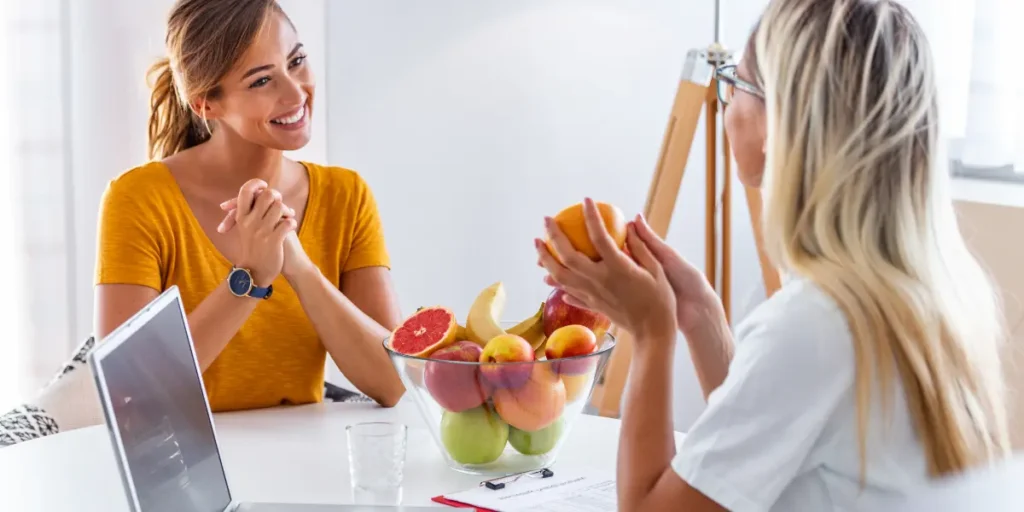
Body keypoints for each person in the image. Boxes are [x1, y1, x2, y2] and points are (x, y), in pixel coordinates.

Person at [536, 0, 1011, 510]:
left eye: (734, 82)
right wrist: (702, 319)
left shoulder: (816, 323)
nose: (727, 103)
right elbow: (773, 426)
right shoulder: (930, 289)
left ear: (779, 119)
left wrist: (651, 334)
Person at [94, 0, 405, 413]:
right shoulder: (138, 200)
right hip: (188, 468)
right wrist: (251, 278)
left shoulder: (346, 195)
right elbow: (128, 397)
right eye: (261, 81)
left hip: (306, 457)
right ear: (206, 103)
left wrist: (299, 268)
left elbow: (395, 383)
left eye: (296, 61)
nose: (296, 93)